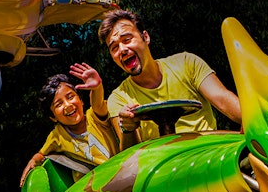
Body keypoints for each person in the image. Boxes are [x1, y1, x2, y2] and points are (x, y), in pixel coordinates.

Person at [100, 9, 242, 143]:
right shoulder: (118, 99)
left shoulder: (187, 63)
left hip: (209, 155)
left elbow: (223, 99)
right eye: (114, 48)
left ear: (146, 37)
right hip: (163, 165)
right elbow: (130, 157)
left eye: (127, 40)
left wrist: (254, 119)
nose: (122, 50)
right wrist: (128, 128)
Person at [20, 63, 120, 186]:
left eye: (70, 97)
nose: (67, 105)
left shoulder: (94, 117)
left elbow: (97, 104)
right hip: (91, 190)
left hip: (118, 177)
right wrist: (33, 161)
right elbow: (41, 154)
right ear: (53, 117)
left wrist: (97, 87)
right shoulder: (57, 135)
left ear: (81, 100)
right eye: (58, 104)